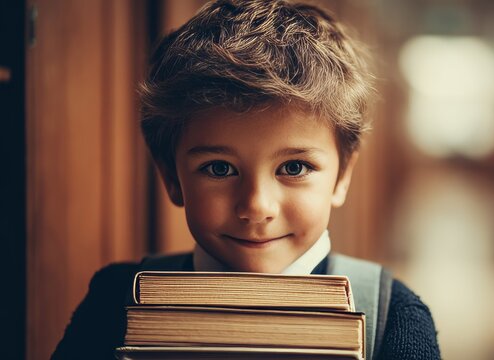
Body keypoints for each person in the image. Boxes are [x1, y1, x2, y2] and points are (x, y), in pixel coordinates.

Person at [51, 1, 440, 359]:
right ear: (170, 176)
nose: (256, 206)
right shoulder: (114, 301)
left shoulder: (393, 317)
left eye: (294, 168)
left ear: (342, 176)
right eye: (219, 168)